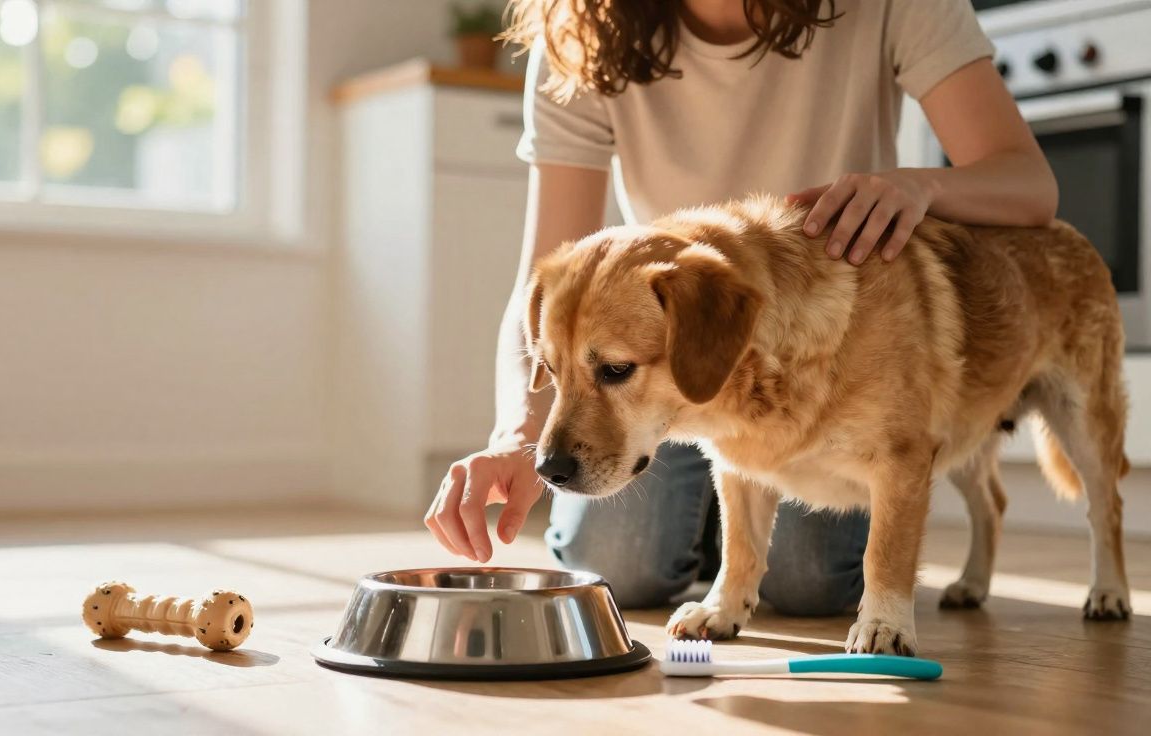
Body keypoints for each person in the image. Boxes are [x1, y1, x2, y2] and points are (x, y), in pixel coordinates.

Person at [424, 0, 1056, 613]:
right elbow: (544, 284)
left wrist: (921, 184)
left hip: (830, 356)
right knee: (617, 565)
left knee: (810, 584)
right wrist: (515, 436)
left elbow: (1030, 185)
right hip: (668, 347)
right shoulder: (582, 26)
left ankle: (712, 516)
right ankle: (715, 514)